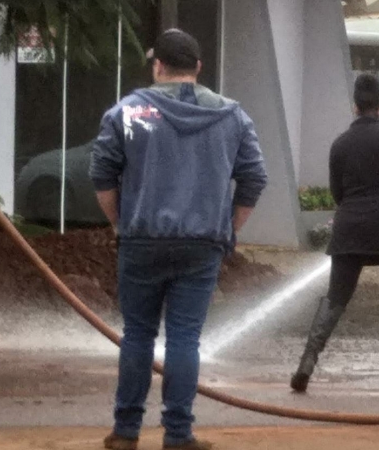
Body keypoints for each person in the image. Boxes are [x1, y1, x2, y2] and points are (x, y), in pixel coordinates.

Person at [89, 28, 267, 450]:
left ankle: (126, 431)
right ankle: (178, 435)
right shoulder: (232, 116)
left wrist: (121, 224)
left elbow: (101, 175)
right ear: (198, 68)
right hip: (202, 244)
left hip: (142, 240)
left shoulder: (130, 112)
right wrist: (229, 229)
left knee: (137, 335)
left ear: (158, 66)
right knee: (185, 339)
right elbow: (254, 178)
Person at [290, 73, 379, 393]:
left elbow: (337, 193)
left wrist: (354, 212)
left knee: (335, 298)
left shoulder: (340, 144)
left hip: (349, 229)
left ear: (354, 107)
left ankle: (306, 364)